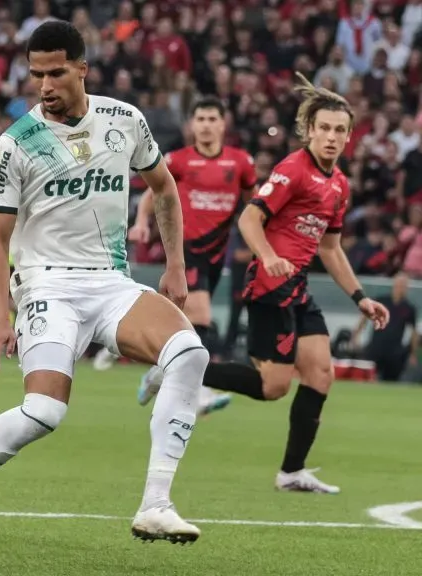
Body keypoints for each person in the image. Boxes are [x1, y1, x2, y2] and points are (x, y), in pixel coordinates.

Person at [0, 21, 208, 549]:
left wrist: (176, 266)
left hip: (111, 282)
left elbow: (164, 187)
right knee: (45, 413)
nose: (44, 84)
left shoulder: (123, 120)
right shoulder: (16, 144)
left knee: (189, 354)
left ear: (82, 68)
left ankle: (156, 504)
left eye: (56, 72)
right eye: (36, 73)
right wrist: (0, 318)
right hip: (46, 286)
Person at [139, 73, 390, 494]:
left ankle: (292, 472)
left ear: (349, 137)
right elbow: (249, 217)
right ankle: (177, 370)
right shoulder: (293, 169)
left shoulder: (339, 185)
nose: (330, 136)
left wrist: (360, 297)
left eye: (339, 130)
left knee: (321, 374)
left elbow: (330, 248)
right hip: (269, 288)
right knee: (273, 387)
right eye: (324, 128)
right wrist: (268, 256)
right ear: (310, 130)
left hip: (299, 289)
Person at [126, 97, 258, 415]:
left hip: (216, 254)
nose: (207, 125)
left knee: (186, 322)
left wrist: (260, 243)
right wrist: (142, 221)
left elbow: (253, 206)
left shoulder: (240, 163)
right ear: (192, 125)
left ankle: (159, 373)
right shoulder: (179, 160)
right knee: (200, 316)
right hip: (185, 250)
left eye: (213, 118)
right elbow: (153, 191)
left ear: (223, 125)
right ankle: (197, 392)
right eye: (201, 119)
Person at [353, 272, 417, 381]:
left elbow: (413, 332)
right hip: (375, 346)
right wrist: (356, 335)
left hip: (394, 351)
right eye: (399, 284)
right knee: (368, 377)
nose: (401, 287)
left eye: (404, 285)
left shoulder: (409, 308)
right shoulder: (381, 301)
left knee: (391, 380)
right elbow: (364, 318)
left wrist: (412, 353)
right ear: (394, 284)